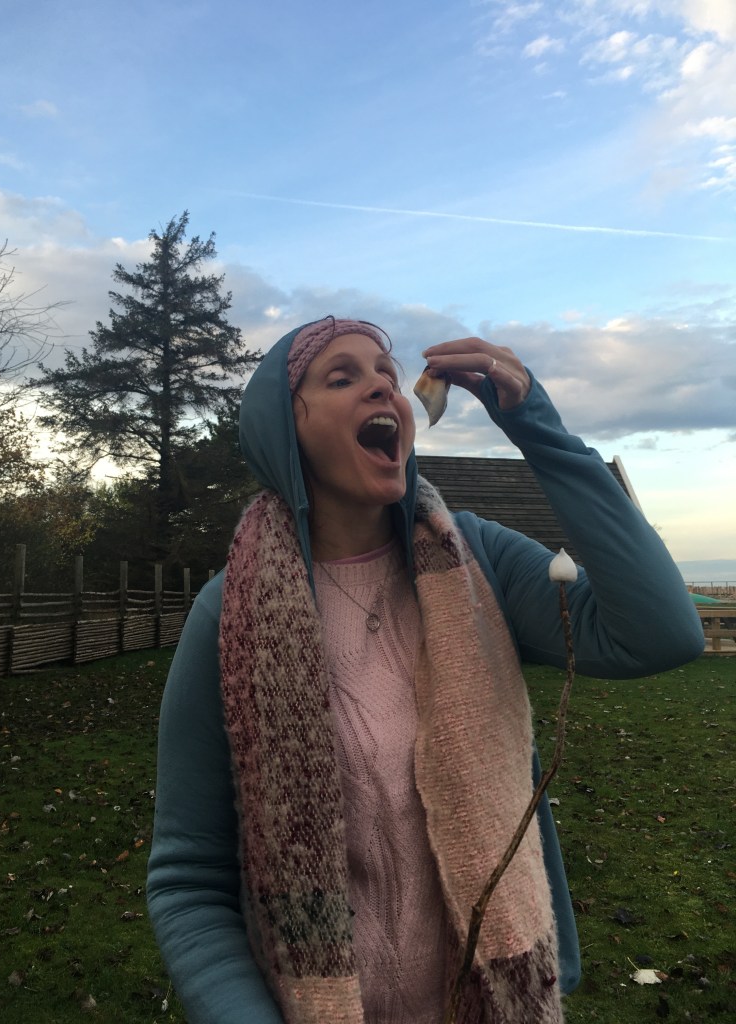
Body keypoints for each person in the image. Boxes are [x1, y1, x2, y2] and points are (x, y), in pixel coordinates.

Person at [146, 317, 703, 1024]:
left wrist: (536, 426)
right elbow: (189, 880)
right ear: (283, 429)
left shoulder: (479, 562)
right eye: (342, 376)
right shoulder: (231, 614)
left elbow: (660, 633)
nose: (383, 384)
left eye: (387, 371)